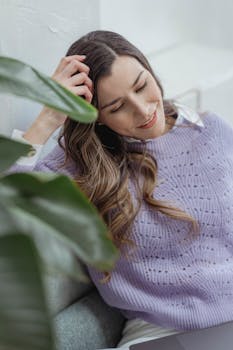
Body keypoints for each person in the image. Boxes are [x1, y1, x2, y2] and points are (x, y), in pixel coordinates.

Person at [10, 30, 233, 349]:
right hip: (162, 335)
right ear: (98, 117)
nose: (143, 110)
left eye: (142, 86)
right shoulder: (81, 168)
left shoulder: (211, 131)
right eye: (117, 107)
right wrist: (47, 117)